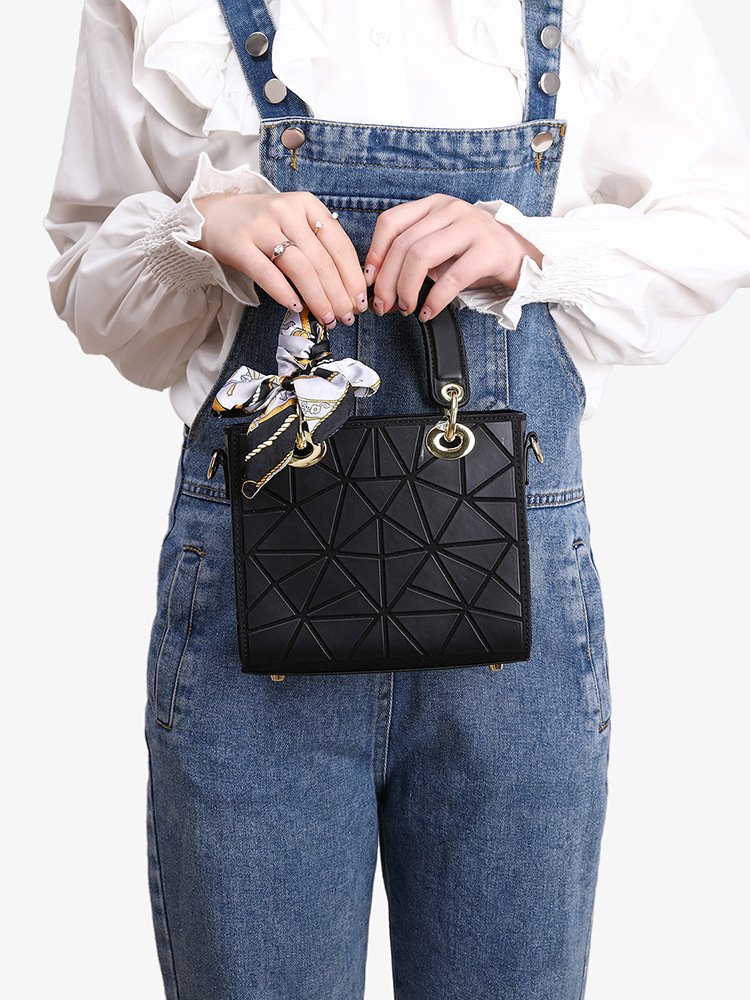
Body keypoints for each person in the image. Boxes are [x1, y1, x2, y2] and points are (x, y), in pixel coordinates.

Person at [42, 0, 750, 997]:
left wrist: (531, 250)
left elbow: (721, 223)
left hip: (512, 648)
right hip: (253, 623)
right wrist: (197, 229)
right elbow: (86, 278)